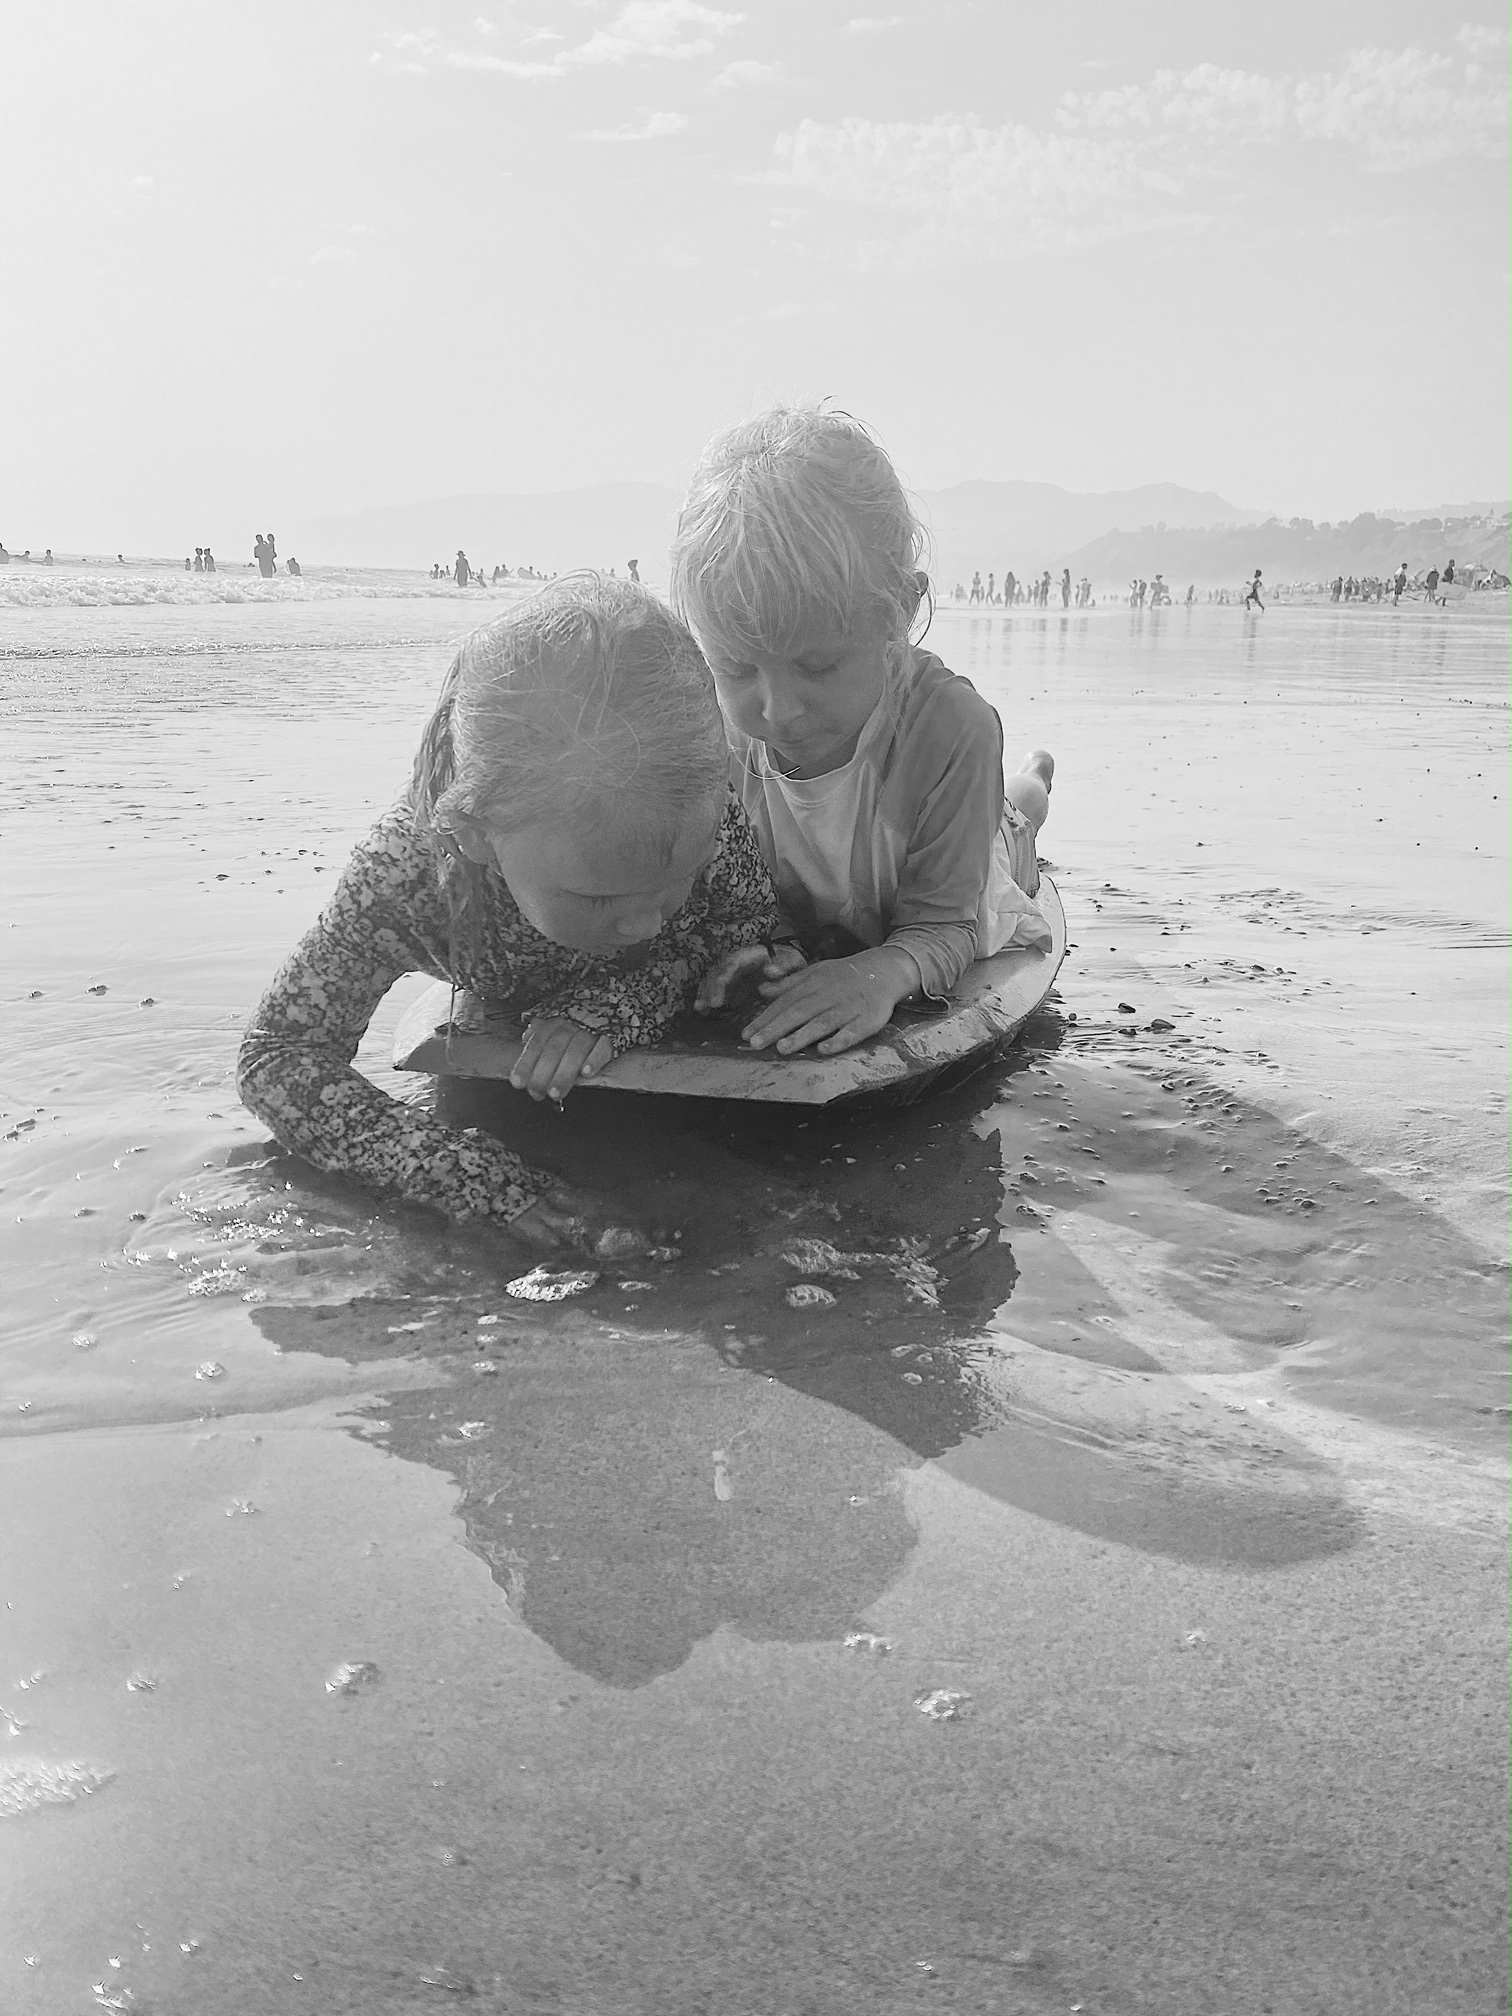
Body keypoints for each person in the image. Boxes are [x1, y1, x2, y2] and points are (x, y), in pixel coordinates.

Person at [238, 575, 778, 1250]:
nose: (649, 923)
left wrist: (627, 998)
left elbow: (744, 926)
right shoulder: (410, 878)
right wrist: (470, 1178)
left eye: (682, 879)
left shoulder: (703, 819)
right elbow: (279, 1056)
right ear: (476, 836)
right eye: (600, 899)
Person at [669, 404, 1055, 1061]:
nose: (778, 709)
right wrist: (770, 950)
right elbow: (750, 895)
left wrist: (876, 975)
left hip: (962, 873)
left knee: (1016, 817)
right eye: (735, 667)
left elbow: (945, 927)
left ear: (897, 616)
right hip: (858, 896)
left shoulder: (951, 730)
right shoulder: (722, 733)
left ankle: (1035, 779)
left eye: (816, 665)